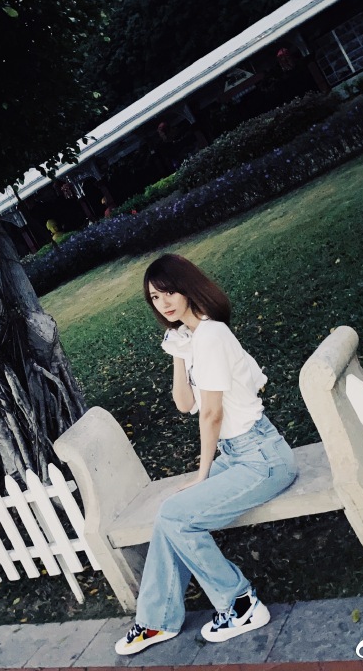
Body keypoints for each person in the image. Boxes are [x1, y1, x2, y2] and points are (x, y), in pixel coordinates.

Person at [115, 253, 298, 656]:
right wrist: (178, 353)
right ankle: (157, 619)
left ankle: (240, 604)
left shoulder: (213, 335)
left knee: (178, 516)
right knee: (170, 513)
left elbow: (211, 414)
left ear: (187, 287)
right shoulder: (194, 339)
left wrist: (201, 475)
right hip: (239, 455)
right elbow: (185, 403)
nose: (163, 303)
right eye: (154, 297)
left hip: (262, 459)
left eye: (168, 292)